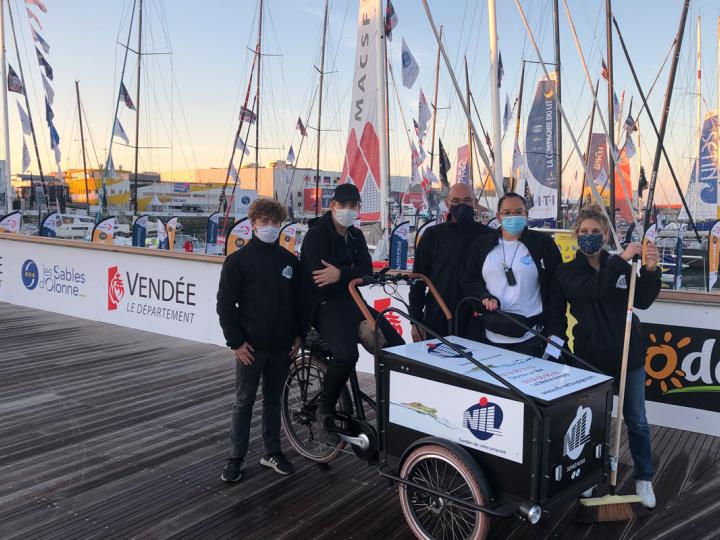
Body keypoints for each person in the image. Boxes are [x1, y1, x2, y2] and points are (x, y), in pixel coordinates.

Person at [556, 205, 660, 508]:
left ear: (604, 235)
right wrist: (622, 259)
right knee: (592, 423)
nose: (589, 237)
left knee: (637, 421)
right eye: (584, 232)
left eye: (596, 232)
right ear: (576, 234)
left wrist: (651, 272)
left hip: (630, 355)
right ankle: (588, 475)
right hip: (590, 361)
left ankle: (644, 477)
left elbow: (642, 300)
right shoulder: (568, 272)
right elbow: (593, 291)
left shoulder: (621, 267)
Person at [300, 183, 404, 431]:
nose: (347, 209)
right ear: (332, 205)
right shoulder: (316, 235)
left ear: (358, 207)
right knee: (346, 355)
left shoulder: (356, 235)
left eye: (352, 205)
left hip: (353, 302)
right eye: (342, 204)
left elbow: (366, 271)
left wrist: (341, 274)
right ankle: (325, 408)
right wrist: (348, 275)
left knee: (398, 349)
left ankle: (393, 405)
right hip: (324, 306)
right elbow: (320, 279)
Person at [216, 199, 304, 483]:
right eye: (263, 222)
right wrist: (236, 343)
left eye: (274, 222)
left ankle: (272, 452)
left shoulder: (290, 262)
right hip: (250, 348)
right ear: (253, 224)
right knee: (243, 402)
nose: (269, 227)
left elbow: (298, 303)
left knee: (273, 402)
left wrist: (298, 335)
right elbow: (225, 305)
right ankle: (236, 457)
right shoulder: (237, 261)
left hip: (281, 348)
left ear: (281, 225)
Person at [461, 192, 566, 357]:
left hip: (532, 337)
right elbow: (469, 280)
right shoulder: (481, 245)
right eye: (507, 213)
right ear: (498, 216)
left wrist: (555, 331)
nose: (513, 216)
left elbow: (555, 290)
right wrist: (483, 296)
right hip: (489, 336)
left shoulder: (543, 244)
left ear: (526, 214)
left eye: (518, 212)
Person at [409, 183, 491, 341]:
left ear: (475, 202)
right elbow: (418, 281)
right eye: (456, 200)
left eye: (467, 200)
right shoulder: (432, 235)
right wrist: (415, 321)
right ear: (447, 204)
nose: (462, 205)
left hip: (478, 319)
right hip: (438, 317)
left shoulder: (488, 236)